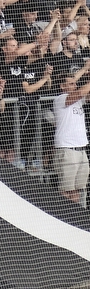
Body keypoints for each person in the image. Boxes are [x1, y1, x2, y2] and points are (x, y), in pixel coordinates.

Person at [53, 62, 90, 205]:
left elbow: (85, 93)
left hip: (81, 149)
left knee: (78, 190)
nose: (74, 86)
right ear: (62, 86)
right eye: (70, 84)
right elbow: (81, 92)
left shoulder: (79, 100)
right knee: (66, 190)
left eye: (75, 84)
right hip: (67, 149)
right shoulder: (61, 99)